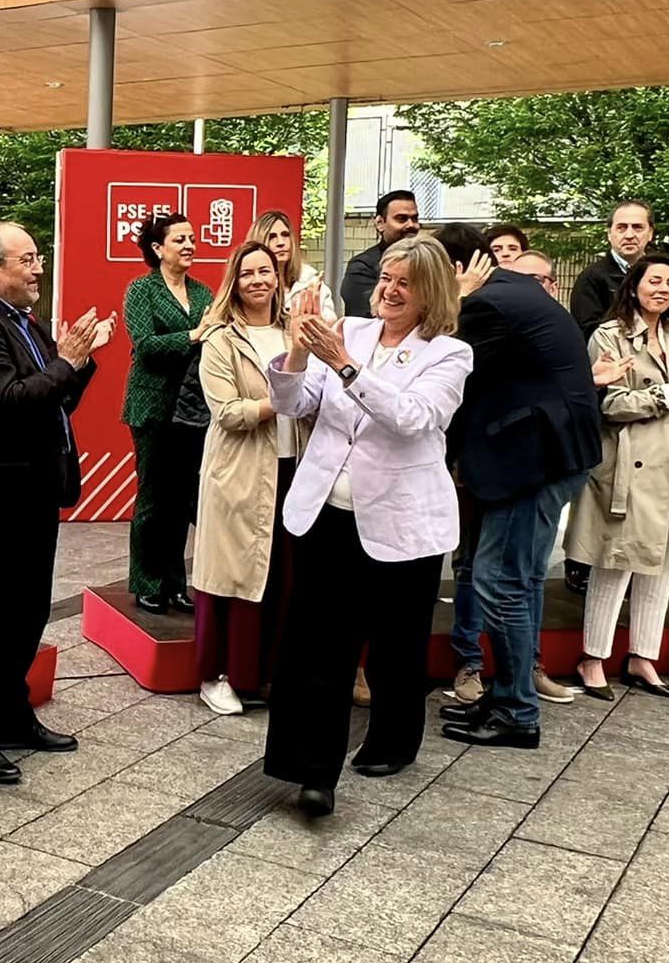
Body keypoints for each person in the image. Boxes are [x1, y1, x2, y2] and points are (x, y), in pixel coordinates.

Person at [264, 237, 469, 813]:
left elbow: (412, 418)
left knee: (396, 646)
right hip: (328, 513)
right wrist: (299, 353)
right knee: (318, 646)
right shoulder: (348, 330)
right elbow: (291, 403)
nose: (389, 289)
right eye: (385, 277)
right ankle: (312, 772)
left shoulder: (449, 354)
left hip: (404, 524)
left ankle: (395, 738)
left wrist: (345, 366)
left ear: (430, 292)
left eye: (404, 282)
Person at [0, 224, 106, 781]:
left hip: (34, 488)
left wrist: (76, 363)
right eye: (28, 260)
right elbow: (11, 404)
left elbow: (54, 399)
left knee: (29, 611)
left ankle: (12, 715)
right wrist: (66, 360)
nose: (39, 268)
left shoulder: (22, 320)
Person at [436, 224, 602, 748]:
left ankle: (517, 711)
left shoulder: (485, 305)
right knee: (516, 579)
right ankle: (507, 693)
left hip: (533, 458)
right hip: (546, 452)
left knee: (499, 580)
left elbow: (439, 363)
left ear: (458, 270)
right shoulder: (517, 290)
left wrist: (455, 303)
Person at [562, 255, 669, 698]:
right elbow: (608, 405)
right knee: (615, 563)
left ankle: (642, 659)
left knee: (663, 567)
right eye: (654, 280)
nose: (663, 289)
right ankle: (593, 658)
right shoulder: (609, 336)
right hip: (629, 466)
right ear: (633, 286)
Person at [191, 241, 304, 715]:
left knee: (279, 576)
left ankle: (268, 674)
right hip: (240, 471)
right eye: (247, 273)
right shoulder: (221, 339)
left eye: (266, 271)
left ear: (278, 277)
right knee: (230, 576)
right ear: (233, 283)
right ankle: (216, 675)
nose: (258, 280)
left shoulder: (293, 332)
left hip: (292, 468)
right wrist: (283, 397)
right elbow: (227, 411)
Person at [122, 213, 212, 613]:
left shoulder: (204, 292)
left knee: (181, 500)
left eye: (192, 238)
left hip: (194, 407)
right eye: (180, 240)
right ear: (158, 249)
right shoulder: (141, 290)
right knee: (154, 497)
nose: (190, 245)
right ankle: (147, 581)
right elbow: (144, 345)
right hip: (152, 406)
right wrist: (193, 335)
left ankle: (176, 584)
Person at [567, 200, 655, 334]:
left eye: (637, 227)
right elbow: (588, 332)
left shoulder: (664, 275)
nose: (629, 235)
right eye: (621, 227)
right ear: (609, 233)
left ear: (650, 233)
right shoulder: (591, 278)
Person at [337, 188, 420, 315]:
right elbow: (367, 313)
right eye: (402, 219)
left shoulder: (427, 263)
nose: (411, 225)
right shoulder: (362, 267)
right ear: (380, 223)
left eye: (414, 219)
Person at [247, 209, 327, 309]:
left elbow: (331, 321)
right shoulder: (250, 286)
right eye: (272, 237)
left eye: (285, 235)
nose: (281, 242)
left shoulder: (311, 281)